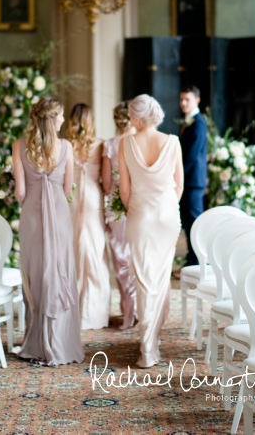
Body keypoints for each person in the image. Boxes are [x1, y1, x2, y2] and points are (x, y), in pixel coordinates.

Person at [12, 97, 84, 366]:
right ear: (53, 119)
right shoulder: (66, 147)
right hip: (59, 214)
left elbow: (20, 191)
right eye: (61, 116)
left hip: (31, 216)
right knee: (60, 271)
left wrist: (31, 202)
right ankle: (60, 342)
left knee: (35, 275)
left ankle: (36, 343)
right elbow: (67, 190)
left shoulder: (19, 146)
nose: (64, 120)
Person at [118, 94, 183, 368]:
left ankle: (147, 349)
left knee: (144, 280)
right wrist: (165, 207)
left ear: (135, 117)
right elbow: (179, 185)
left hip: (140, 217)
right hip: (167, 218)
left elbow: (124, 189)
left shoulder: (126, 143)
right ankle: (151, 341)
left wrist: (137, 209)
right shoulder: (173, 142)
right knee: (160, 278)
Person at [64, 103, 110, 330]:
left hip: (71, 196)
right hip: (92, 197)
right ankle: (94, 312)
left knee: (73, 248)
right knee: (94, 249)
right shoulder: (100, 144)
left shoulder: (65, 145)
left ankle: (71, 309)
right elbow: (105, 180)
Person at [101, 102, 138, 330]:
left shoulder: (110, 145)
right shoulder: (142, 143)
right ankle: (141, 309)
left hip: (116, 207)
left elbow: (106, 185)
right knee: (138, 257)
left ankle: (128, 311)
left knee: (121, 258)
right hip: (139, 205)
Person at [179, 85, 207, 266]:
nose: (183, 103)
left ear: (197, 100)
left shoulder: (198, 123)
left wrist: (177, 175)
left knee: (195, 222)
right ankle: (192, 259)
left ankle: (197, 262)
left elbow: (191, 155)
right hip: (189, 180)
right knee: (189, 222)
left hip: (192, 181)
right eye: (181, 99)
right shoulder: (189, 121)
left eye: (187, 99)